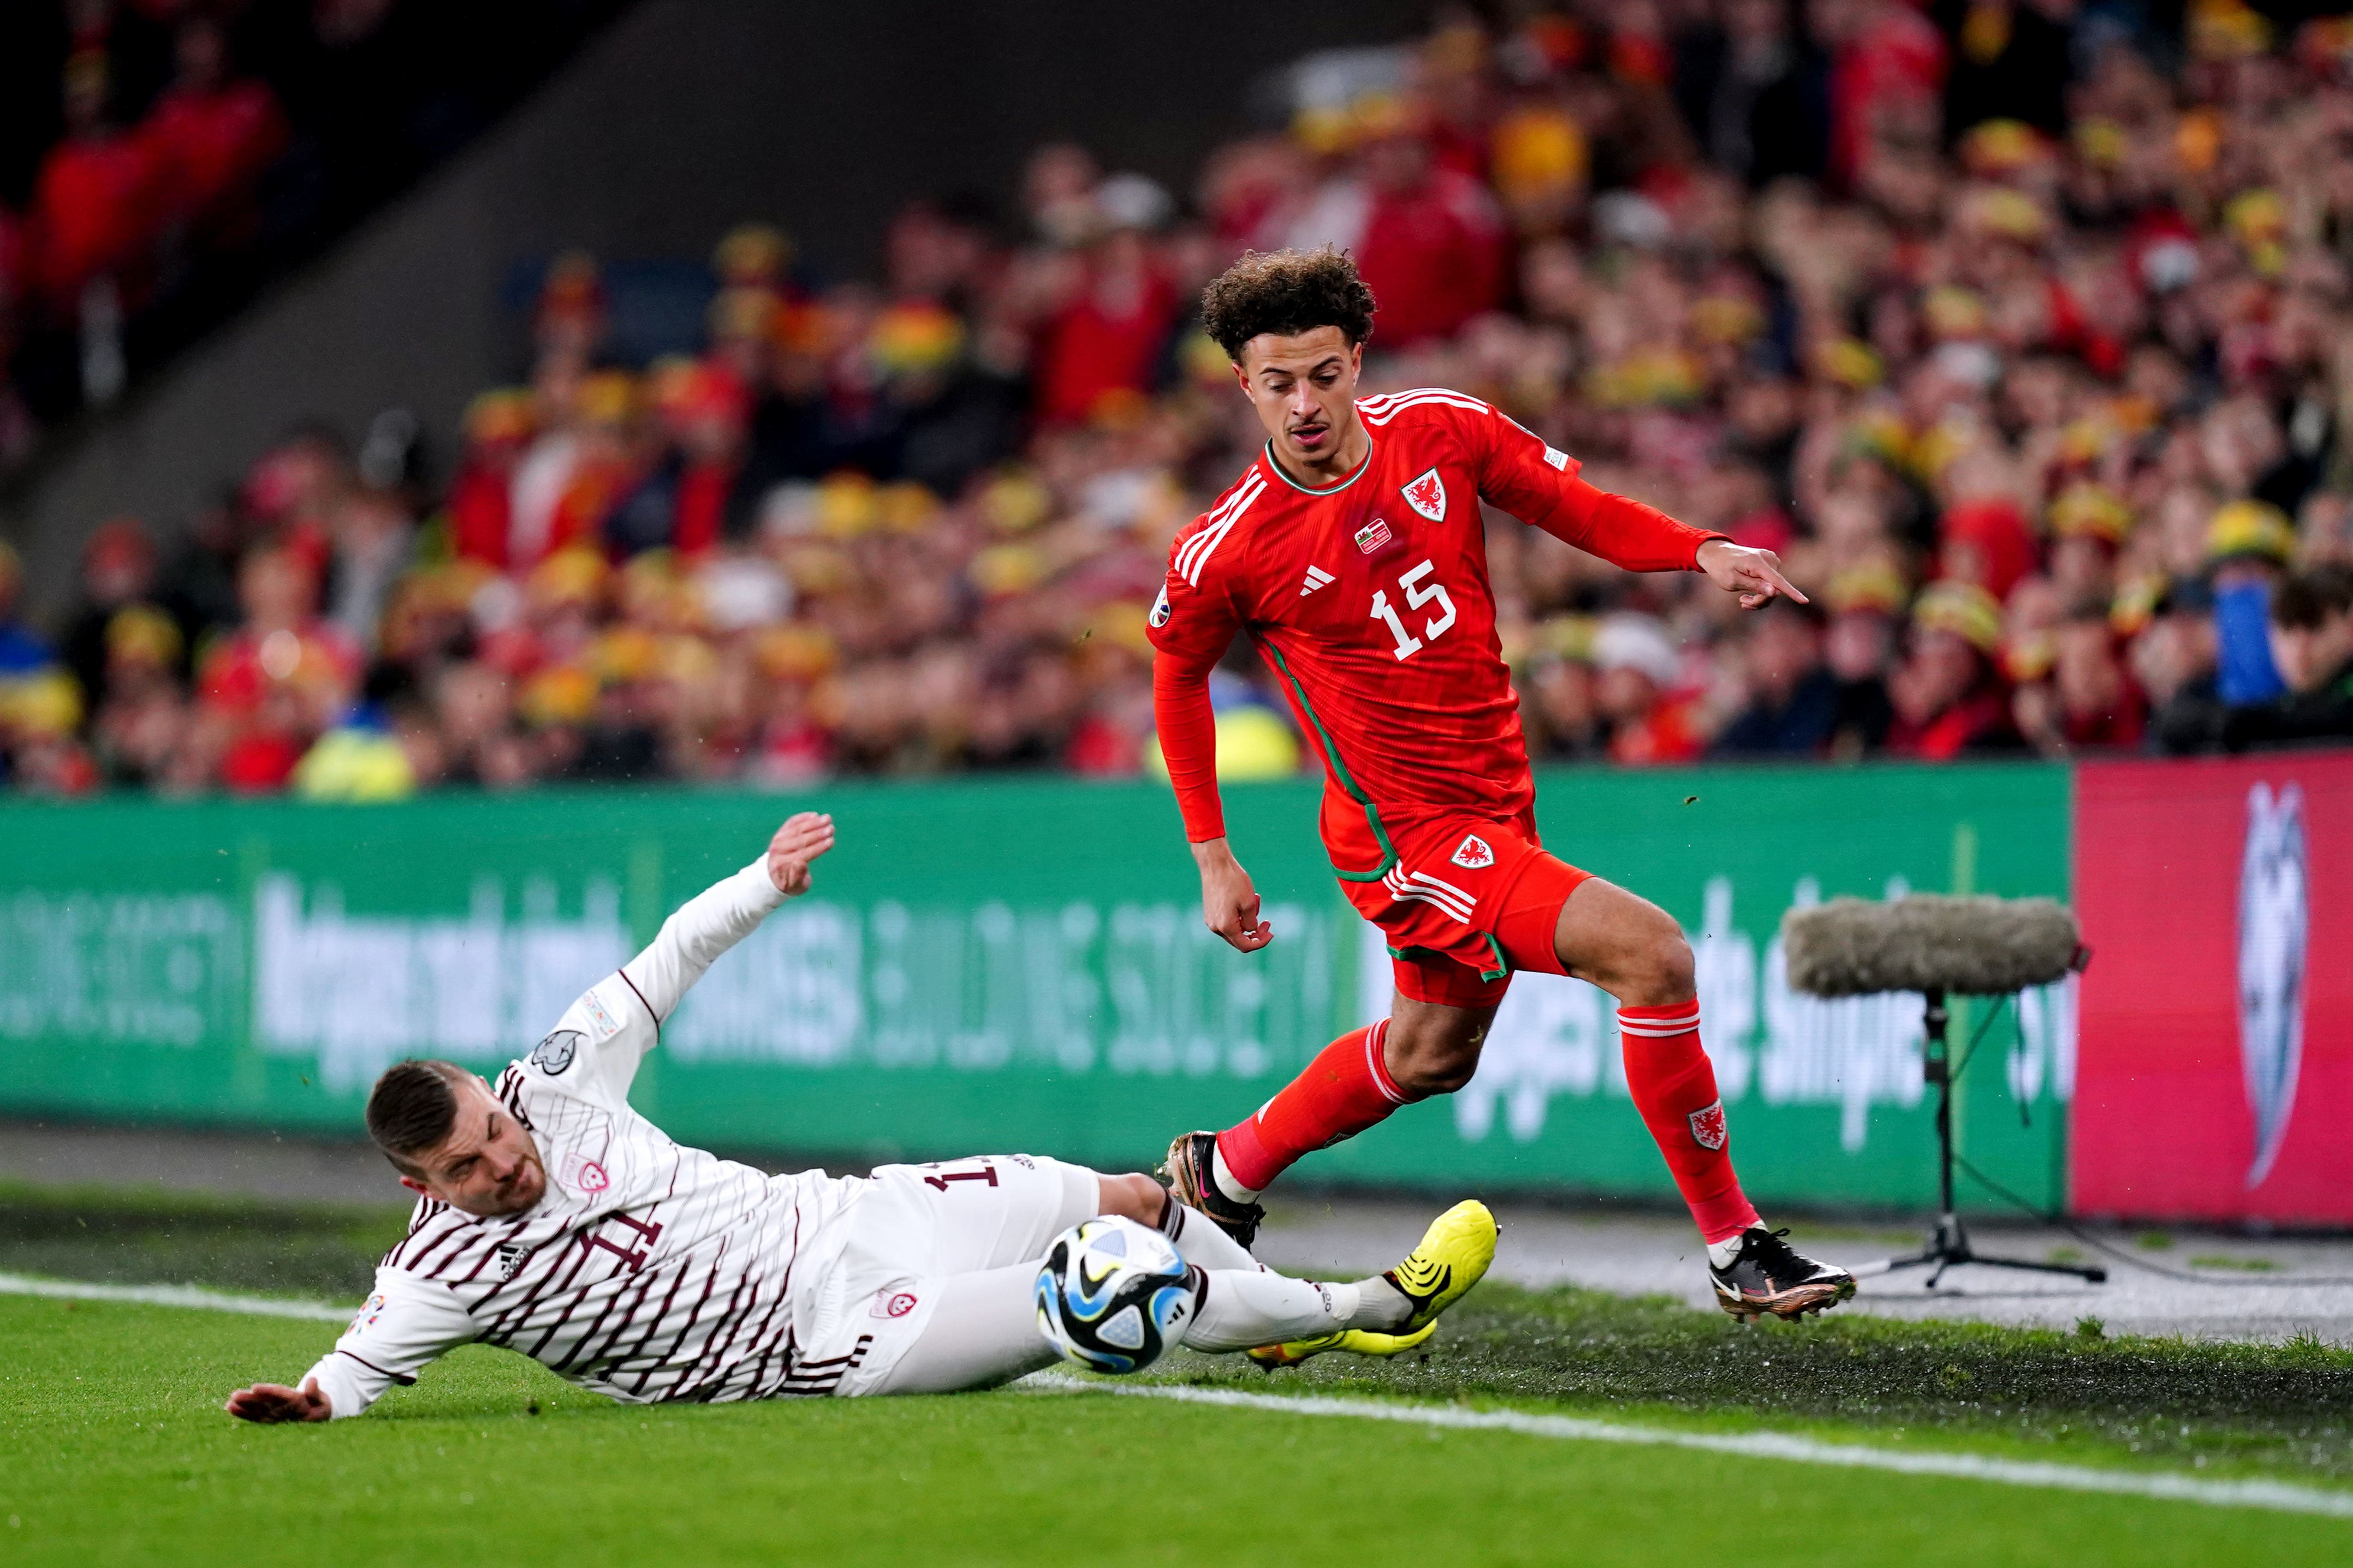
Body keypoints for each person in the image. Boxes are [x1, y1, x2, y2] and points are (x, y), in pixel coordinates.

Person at [224, 812, 1495, 1422]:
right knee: (1100, 1292)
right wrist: (309, 1403)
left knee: (1137, 1201)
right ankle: (1361, 1311)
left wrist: (760, 885)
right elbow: (352, 1367)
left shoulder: (546, 1082)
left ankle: (1261, 1323)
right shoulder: (440, 1270)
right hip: (832, 1335)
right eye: (472, 1165)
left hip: (848, 1217)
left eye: (492, 1131)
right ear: (420, 1190)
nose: (507, 1157)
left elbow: (668, 958)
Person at [1148, 247, 1853, 1323]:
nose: (1303, 405)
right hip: (1404, 831)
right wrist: (1212, 854)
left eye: (1323, 376)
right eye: (1277, 383)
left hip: (1494, 798)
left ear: (1356, 364)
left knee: (1430, 1055)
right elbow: (1178, 677)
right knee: (1652, 956)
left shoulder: (1442, 426)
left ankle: (1225, 1170)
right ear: (1243, 385)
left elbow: (1574, 505)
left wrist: (1696, 549)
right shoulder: (1228, 549)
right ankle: (1736, 1247)